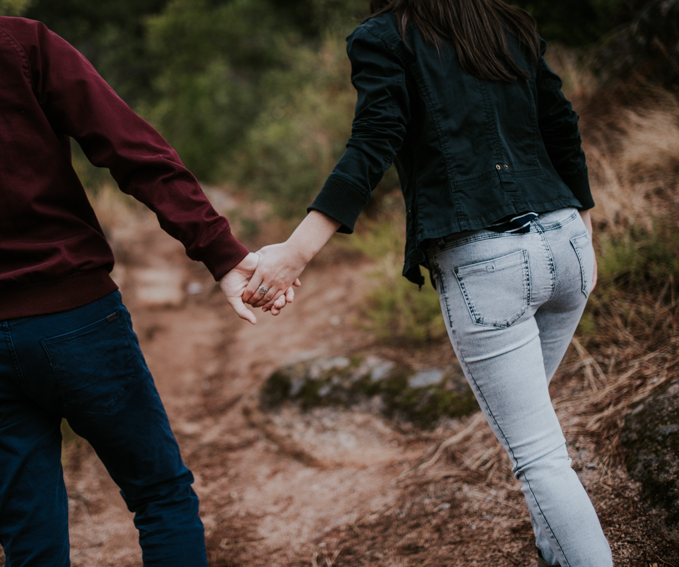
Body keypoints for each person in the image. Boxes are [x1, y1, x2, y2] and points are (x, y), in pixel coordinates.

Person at [0, 0, 293, 564]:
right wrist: (220, 254)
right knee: (160, 497)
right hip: (79, 325)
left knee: (32, 547)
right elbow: (133, 151)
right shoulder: (19, 42)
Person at [242, 0, 612, 565]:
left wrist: (296, 252)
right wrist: (582, 228)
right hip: (567, 242)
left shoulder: (385, 37)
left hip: (485, 264)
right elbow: (559, 120)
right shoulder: (509, 22)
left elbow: (373, 142)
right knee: (533, 439)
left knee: (539, 457)